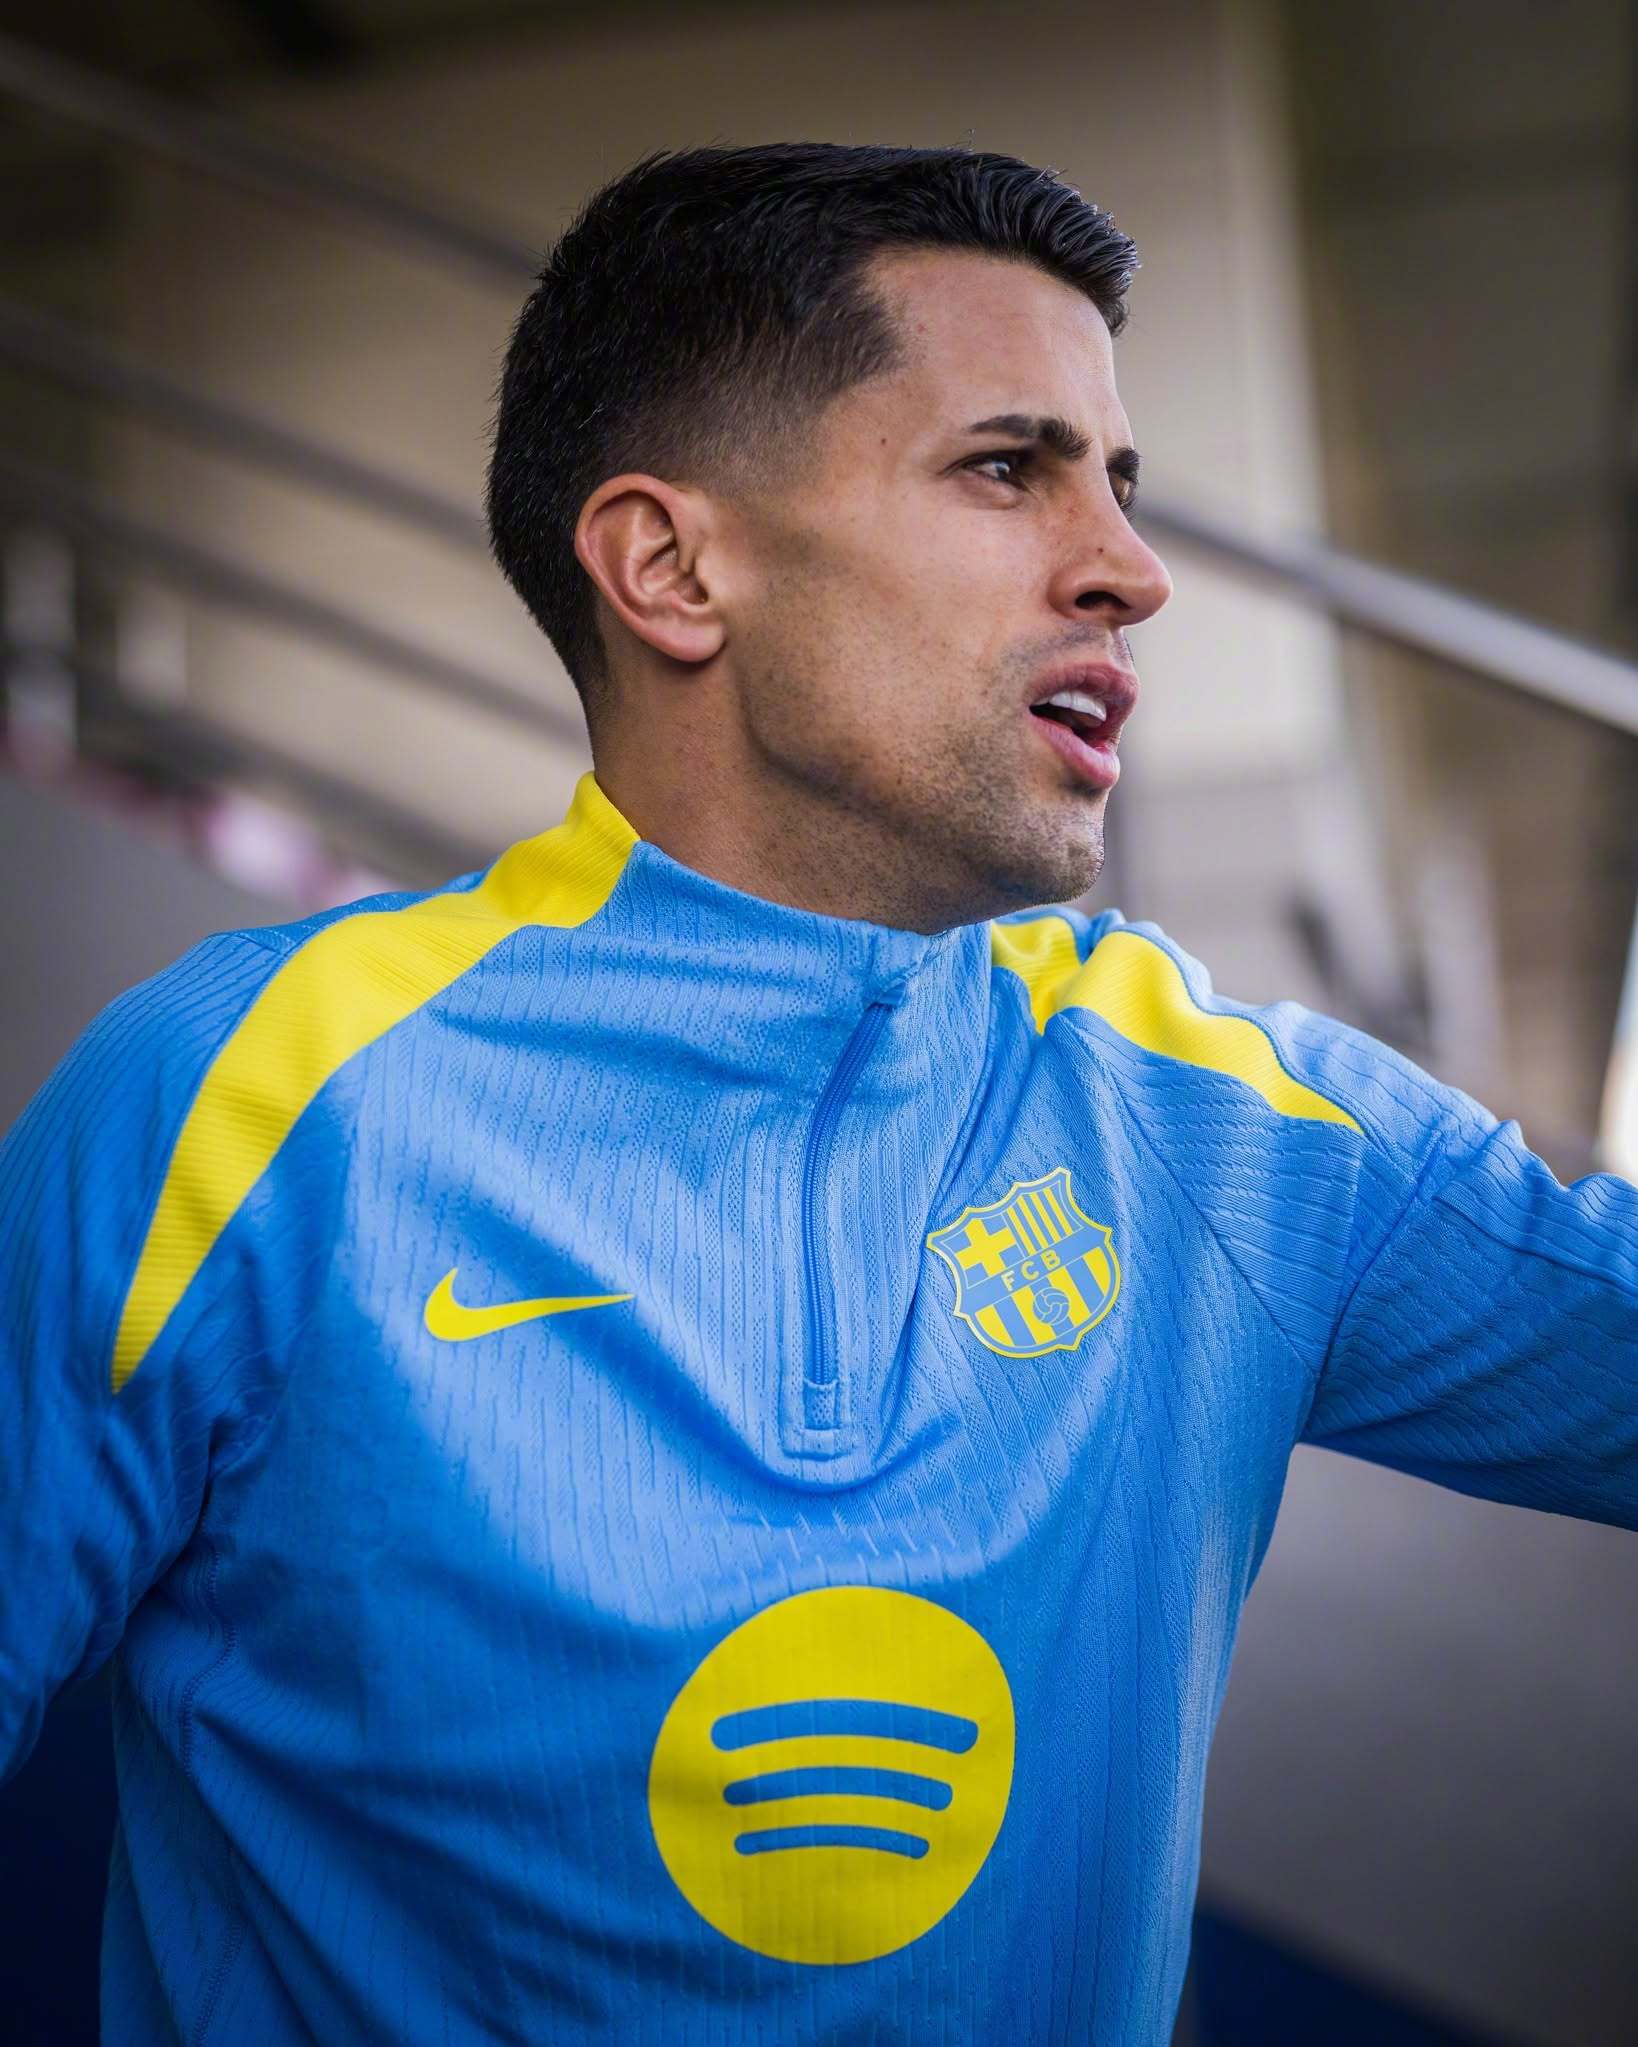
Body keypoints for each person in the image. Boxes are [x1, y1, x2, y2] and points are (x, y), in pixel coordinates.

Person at [1, 141, 1634, 2047]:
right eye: (1006, 468)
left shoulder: (1215, 1117)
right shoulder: (244, 1098)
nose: (1130, 571)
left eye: (1118, 483)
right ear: (671, 568)